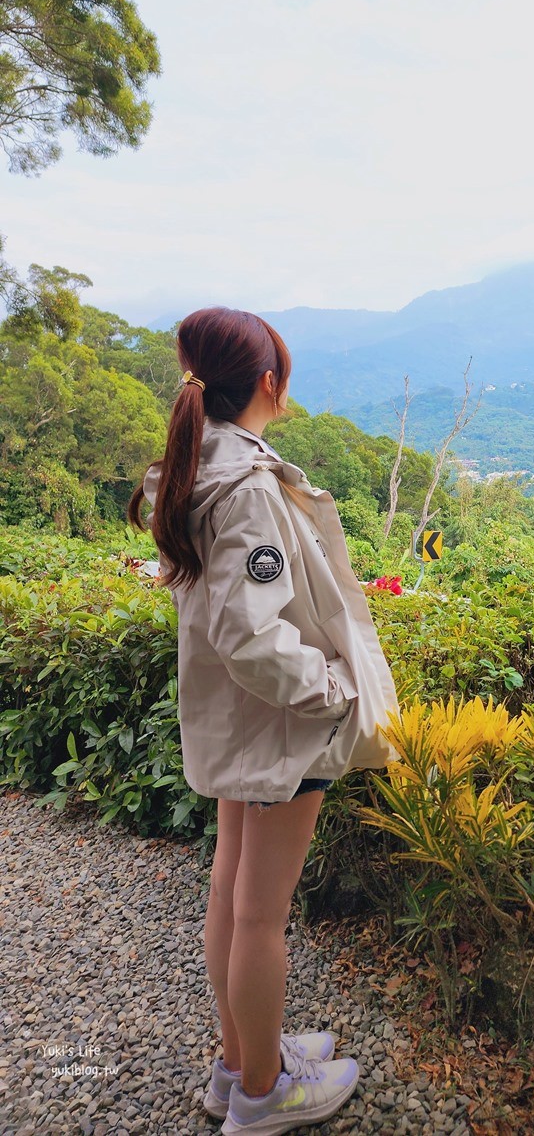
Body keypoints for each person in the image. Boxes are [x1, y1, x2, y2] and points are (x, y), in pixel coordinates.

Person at [128, 306, 398, 1135]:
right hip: (280, 726)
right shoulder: (244, 489)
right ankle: (263, 1091)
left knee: (232, 892)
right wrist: (332, 688)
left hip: (241, 723)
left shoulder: (193, 467)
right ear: (270, 385)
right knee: (259, 915)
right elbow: (251, 632)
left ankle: (239, 1059)